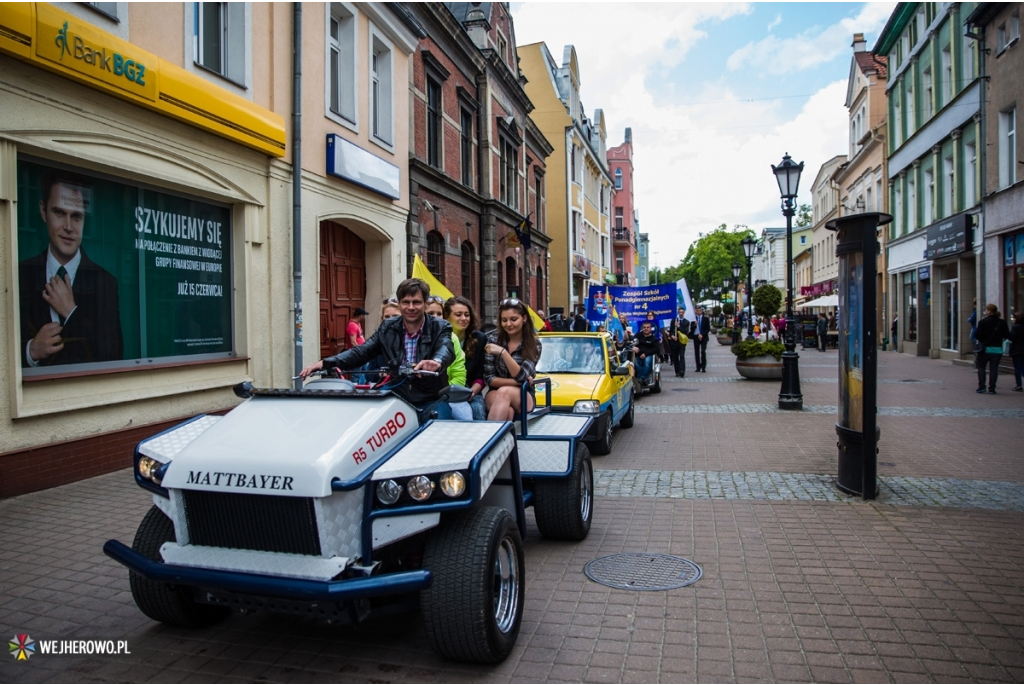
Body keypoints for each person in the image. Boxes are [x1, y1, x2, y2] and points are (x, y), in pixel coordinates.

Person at [299, 278, 454, 421]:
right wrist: (326, 363)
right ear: (399, 304)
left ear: (426, 304)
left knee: (442, 432)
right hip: (396, 398)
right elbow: (362, 351)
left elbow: (445, 348)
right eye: (406, 302)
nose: (411, 307)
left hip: (432, 399)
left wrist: (436, 361)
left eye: (416, 302)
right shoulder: (388, 327)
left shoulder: (440, 326)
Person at [20, 173, 123, 367]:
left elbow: (113, 356)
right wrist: (30, 351)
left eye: (76, 216)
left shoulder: (105, 282)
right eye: (59, 213)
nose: (68, 227)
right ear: (43, 211)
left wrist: (71, 312)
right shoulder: (21, 274)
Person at [484, 298, 541, 421]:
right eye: (504, 320)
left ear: (524, 318)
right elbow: (489, 379)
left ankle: (489, 439)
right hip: (494, 391)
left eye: (513, 319)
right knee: (508, 410)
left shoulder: (534, 344)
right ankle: (505, 440)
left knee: (505, 392)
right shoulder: (493, 339)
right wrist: (519, 381)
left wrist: (503, 353)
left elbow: (521, 376)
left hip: (524, 393)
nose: (508, 324)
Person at [445, 296, 488, 419]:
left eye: (467, 315)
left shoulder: (479, 339)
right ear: (447, 317)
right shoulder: (439, 338)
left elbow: (480, 375)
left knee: (477, 410)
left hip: (470, 391)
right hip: (443, 392)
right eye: (458, 315)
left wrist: (472, 392)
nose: (464, 319)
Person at [973, 303, 1010, 394]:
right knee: (994, 369)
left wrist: (983, 339)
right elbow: (1006, 335)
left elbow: (977, 335)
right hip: (997, 349)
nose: (986, 311)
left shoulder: (982, 322)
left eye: (986, 309)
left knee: (981, 367)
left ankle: (982, 387)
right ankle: (992, 388)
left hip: (984, 349)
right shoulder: (1002, 322)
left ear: (989, 311)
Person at [668, 306, 688, 377]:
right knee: (675, 357)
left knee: (682, 356)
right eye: (680, 312)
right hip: (674, 342)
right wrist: (672, 336)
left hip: (682, 342)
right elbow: (671, 331)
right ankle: (677, 371)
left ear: (684, 313)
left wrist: (678, 326)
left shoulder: (686, 322)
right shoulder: (674, 320)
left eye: (682, 312)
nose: (681, 314)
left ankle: (682, 370)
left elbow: (685, 331)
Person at [690, 306, 711, 372]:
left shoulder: (706, 319)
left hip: (703, 337)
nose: (698, 312)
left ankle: (703, 366)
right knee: (697, 352)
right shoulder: (694, 319)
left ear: (701, 311)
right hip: (696, 336)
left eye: (699, 310)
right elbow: (691, 329)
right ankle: (698, 366)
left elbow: (708, 328)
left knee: (703, 351)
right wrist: (694, 325)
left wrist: (702, 335)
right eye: (697, 310)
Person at [1008, 312, 1024, 392]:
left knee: (1017, 367)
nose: (1013, 319)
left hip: (1017, 350)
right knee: (1022, 366)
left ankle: (1019, 385)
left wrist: (1009, 335)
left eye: (1014, 318)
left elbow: (1012, 337)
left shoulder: (1015, 327)